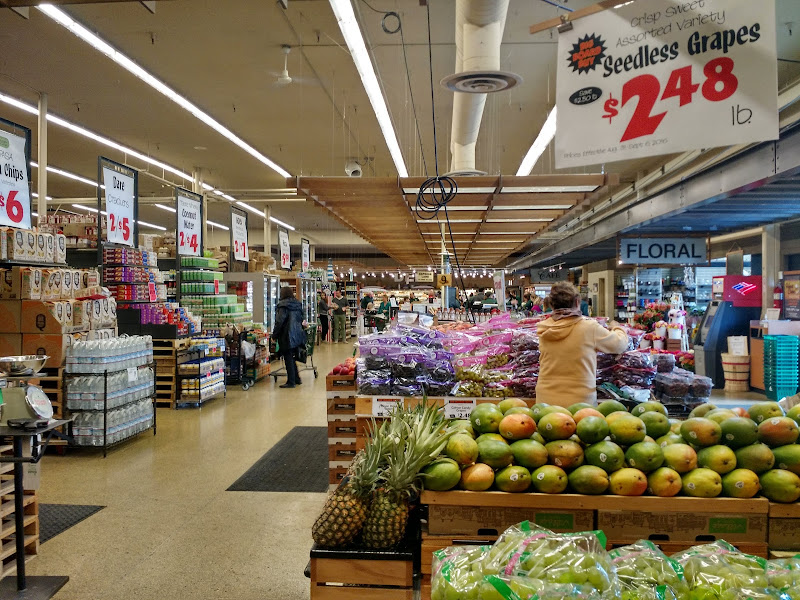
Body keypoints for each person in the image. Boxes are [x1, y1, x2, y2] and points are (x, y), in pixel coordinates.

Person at [536, 282, 629, 407]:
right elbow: (619, 345)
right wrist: (618, 328)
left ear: (551, 305)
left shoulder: (544, 328)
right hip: (580, 402)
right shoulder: (589, 327)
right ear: (577, 302)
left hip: (545, 401)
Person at [272, 286, 308, 389]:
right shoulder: (298, 304)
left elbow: (279, 322)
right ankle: (296, 378)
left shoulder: (282, 306)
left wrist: (274, 335)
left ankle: (291, 381)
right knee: (292, 357)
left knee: (288, 357)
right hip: (297, 334)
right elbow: (301, 319)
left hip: (286, 335)